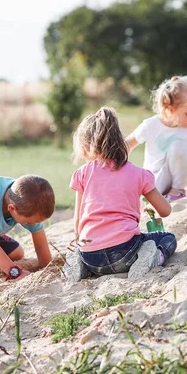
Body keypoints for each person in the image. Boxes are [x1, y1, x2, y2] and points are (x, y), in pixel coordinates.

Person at [63, 107, 176, 283]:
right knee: (168, 238)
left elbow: (78, 221)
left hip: (91, 256)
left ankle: (80, 264)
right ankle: (153, 259)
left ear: (86, 147)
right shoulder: (140, 174)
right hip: (125, 253)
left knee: (82, 248)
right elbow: (165, 210)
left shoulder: (82, 174)